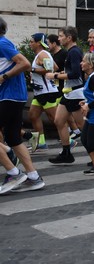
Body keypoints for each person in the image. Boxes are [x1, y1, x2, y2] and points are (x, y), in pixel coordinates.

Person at [0, 17, 45, 194]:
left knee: (11, 137)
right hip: (12, 97)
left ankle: (13, 173)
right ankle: (33, 177)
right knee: (12, 138)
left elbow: (24, 63)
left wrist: (4, 78)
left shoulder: (2, 43)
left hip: (9, 96)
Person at [46, 26, 86, 165]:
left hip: (75, 93)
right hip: (68, 93)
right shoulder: (70, 52)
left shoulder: (74, 52)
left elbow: (75, 74)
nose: (59, 38)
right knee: (58, 121)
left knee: (82, 125)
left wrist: (55, 75)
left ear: (69, 38)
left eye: (61, 36)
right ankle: (66, 152)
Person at [27, 33, 61, 153]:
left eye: (32, 41)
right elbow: (55, 67)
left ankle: (70, 140)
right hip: (40, 92)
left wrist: (32, 69)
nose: (30, 44)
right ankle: (41, 143)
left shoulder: (43, 54)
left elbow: (49, 70)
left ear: (38, 43)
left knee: (56, 119)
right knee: (33, 115)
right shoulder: (41, 55)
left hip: (47, 92)